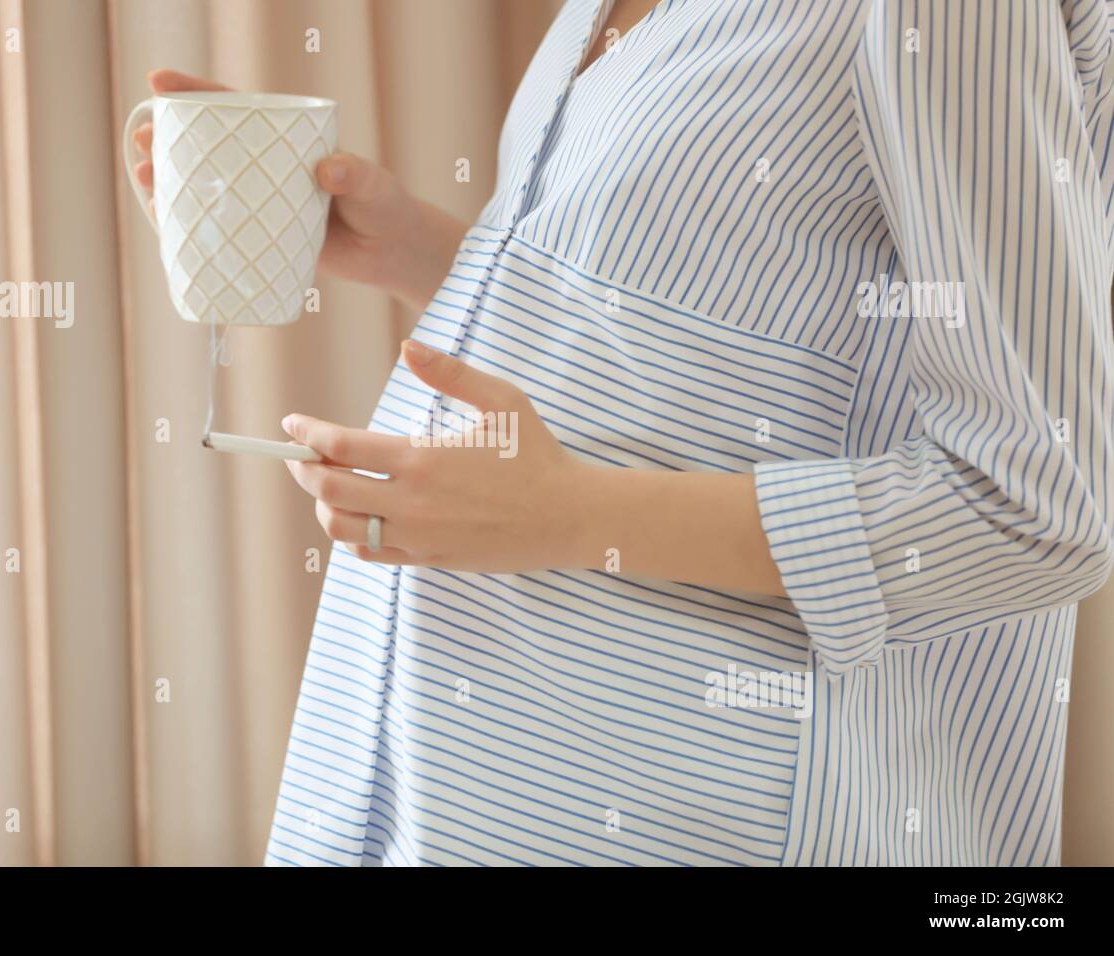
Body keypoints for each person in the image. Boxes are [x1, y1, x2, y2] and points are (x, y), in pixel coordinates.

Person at [134, 0, 1114, 866]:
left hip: (690, 811)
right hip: (413, 789)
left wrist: (574, 516)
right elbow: (695, 342)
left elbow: (1034, 503)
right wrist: (418, 248)